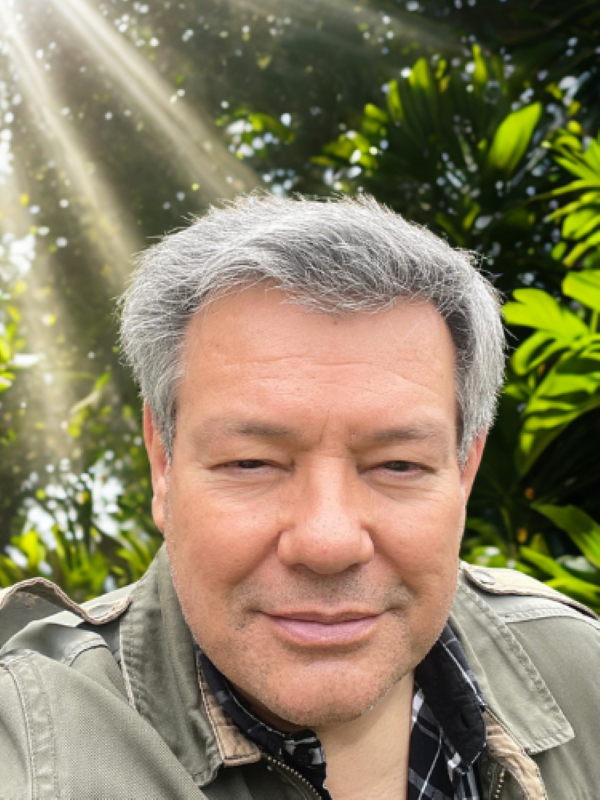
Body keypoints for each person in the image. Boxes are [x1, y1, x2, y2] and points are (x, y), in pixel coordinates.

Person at [0, 193, 598, 800]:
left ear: (464, 472)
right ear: (164, 464)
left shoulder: (583, 673)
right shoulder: (27, 743)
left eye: (398, 464)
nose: (327, 542)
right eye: (251, 463)